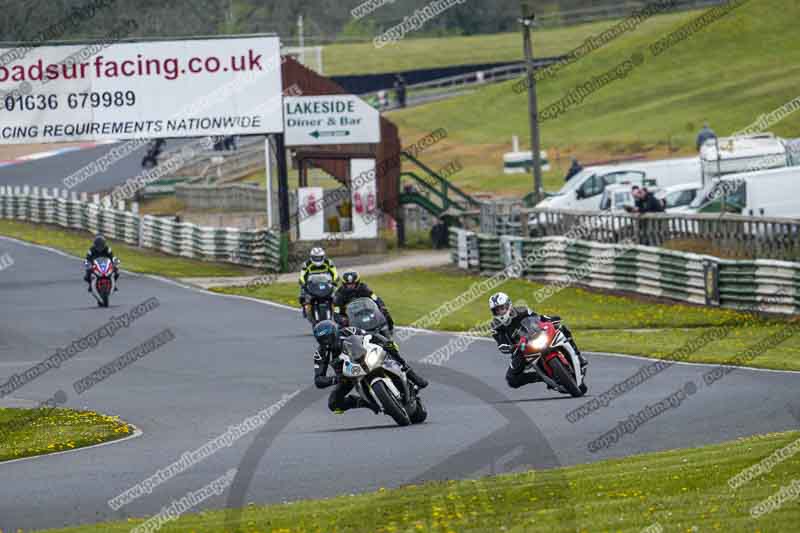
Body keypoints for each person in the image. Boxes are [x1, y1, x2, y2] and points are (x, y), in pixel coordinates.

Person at [312, 320, 428, 414]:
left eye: (329, 338)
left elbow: (371, 335)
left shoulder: (348, 331)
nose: (327, 342)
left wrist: (386, 342)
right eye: (323, 340)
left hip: (365, 358)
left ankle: (412, 375)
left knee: (390, 348)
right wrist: (335, 379)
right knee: (334, 404)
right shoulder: (320, 354)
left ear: (335, 333)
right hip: (347, 374)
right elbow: (318, 380)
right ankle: (365, 402)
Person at [488, 292, 586, 389]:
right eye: (497, 310)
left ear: (509, 305)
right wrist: (511, 347)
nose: (500, 312)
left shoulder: (523, 310)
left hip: (537, 336)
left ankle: (578, 356)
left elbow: (539, 318)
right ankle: (543, 377)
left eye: (502, 308)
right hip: (521, 349)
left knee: (562, 328)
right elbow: (501, 344)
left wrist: (550, 319)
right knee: (511, 380)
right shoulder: (495, 326)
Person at [298, 247, 338, 318]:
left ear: (323, 256)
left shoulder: (329, 262)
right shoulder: (306, 264)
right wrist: (303, 283)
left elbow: (334, 272)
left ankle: (337, 310)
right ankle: (304, 308)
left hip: (326, 283)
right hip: (312, 284)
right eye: (315, 258)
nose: (317, 259)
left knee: (337, 295)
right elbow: (302, 275)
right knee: (302, 294)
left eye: (319, 257)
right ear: (311, 257)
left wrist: (335, 280)